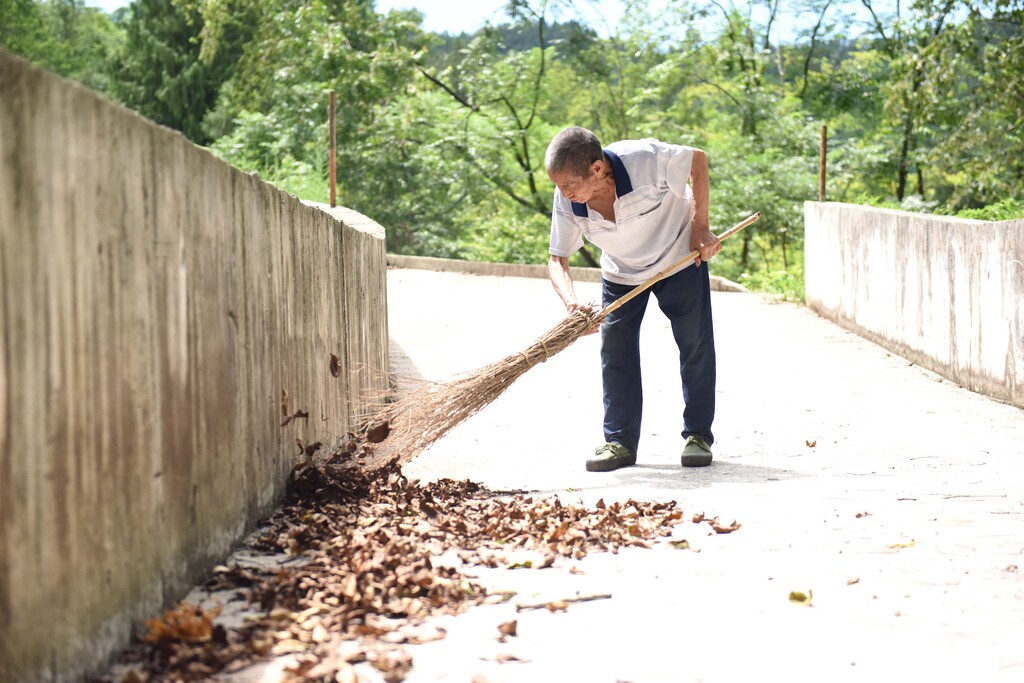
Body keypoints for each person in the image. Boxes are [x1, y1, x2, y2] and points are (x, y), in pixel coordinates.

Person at [544, 126, 722, 472]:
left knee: (695, 343)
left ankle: (698, 436)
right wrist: (571, 302)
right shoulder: (567, 200)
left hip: (678, 258)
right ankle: (619, 442)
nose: (563, 193)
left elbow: (697, 161)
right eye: (558, 185)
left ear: (597, 169)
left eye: (569, 184)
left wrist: (700, 227)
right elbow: (557, 260)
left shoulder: (644, 158)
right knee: (616, 352)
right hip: (621, 273)